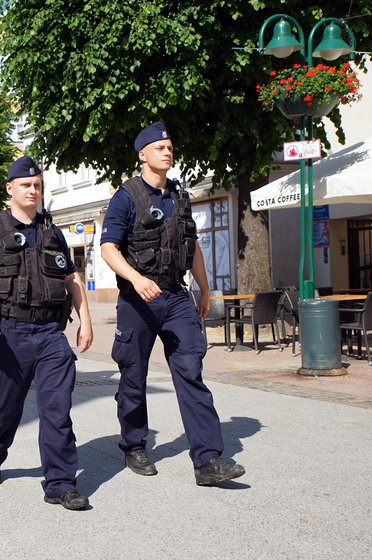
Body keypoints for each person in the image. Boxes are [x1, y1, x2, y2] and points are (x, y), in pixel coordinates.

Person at [99, 121, 245, 486]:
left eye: (170, 147)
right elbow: (108, 248)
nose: (167, 152)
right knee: (134, 376)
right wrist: (135, 278)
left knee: (190, 372)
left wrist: (204, 288)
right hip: (138, 300)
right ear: (143, 155)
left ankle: (208, 460)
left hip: (177, 296)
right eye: (160, 147)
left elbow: (190, 245)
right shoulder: (126, 196)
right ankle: (134, 444)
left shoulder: (181, 195)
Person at [0, 156, 94, 510]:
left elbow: (71, 279)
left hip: (51, 334)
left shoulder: (52, 231)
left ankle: (60, 484)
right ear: (10, 188)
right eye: (26, 185)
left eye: (37, 184)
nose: (33, 190)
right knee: (4, 408)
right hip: (9, 332)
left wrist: (86, 320)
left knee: (57, 409)